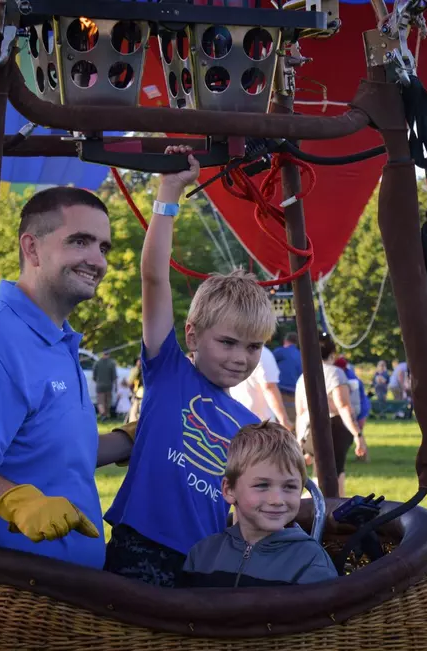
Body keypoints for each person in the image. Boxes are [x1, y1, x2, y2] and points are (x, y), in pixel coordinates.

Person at [0, 187, 137, 569]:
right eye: (80, 241)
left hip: (57, 595)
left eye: (103, 247)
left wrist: (127, 441)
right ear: (31, 248)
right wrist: (15, 501)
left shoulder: (56, 339)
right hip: (1, 596)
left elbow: (47, 450)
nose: (96, 260)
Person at [103, 148, 275, 587]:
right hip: (140, 546)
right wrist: (169, 191)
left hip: (207, 561)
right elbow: (154, 277)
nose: (241, 358)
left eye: (254, 347)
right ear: (193, 335)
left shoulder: (249, 425)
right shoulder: (168, 370)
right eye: (228, 342)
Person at [179, 422, 337, 587]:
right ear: (229, 490)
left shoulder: (310, 561)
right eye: (262, 485)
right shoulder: (203, 554)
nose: (276, 500)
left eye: (290, 487)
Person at [295, 333, 367, 496]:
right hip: (333, 429)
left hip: (308, 432)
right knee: (335, 477)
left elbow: (300, 413)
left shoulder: (302, 378)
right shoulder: (335, 373)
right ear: (332, 354)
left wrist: (300, 442)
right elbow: (343, 407)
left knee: (317, 476)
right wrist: (358, 434)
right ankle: (332, 515)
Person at [231, 345, 291, 428]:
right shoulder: (263, 354)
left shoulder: (233, 351)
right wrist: (284, 420)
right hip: (260, 424)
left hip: (235, 419)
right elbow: (269, 388)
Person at [273, 332, 302, 428]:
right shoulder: (301, 355)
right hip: (296, 394)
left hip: (281, 393)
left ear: (285, 341)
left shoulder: (280, 352)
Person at [93, 351, 118, 420]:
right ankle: (106, 414)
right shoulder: (112, 363)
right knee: (107, 401)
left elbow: (94, 376)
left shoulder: (97, 363)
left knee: (100, 401)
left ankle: (102, 414)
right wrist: (116, 386)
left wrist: (97, 381)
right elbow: (114, 377)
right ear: (109, 354)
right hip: (108, 385)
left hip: (99, 385)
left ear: (102, 354)